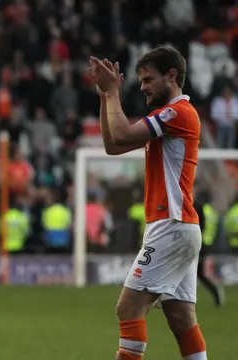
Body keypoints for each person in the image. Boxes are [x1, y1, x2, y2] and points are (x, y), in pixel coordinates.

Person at [90, 46, 207, 359]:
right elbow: (114, 145)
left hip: (170, 224)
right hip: (178, 225)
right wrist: (105, 97)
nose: (142, 86)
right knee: (181, 319)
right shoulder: (170, 117)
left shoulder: (176, 112)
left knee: (129, 307)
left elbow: (123, 134)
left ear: (171, 76)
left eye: (148, 79)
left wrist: (114, 91)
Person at [193, 190, 224, 307]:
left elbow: (202, 226)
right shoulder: (210, 210)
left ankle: (216, 292)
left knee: (199, 273)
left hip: (200, 244)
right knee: (198, 273)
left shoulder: (199, 208)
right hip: (206, 242)